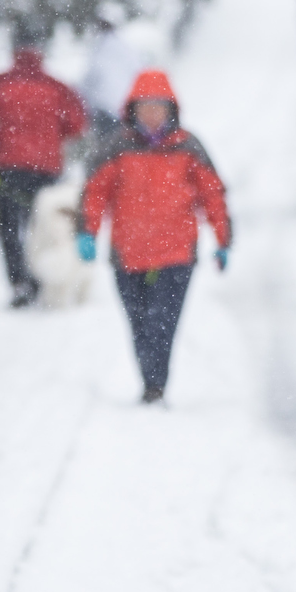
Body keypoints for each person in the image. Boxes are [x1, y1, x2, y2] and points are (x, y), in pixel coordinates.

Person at [76, 70, 232, 404]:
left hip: (176, 254)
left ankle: (155, 386)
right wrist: (86, 232)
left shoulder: (189, 147)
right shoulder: (116, 147)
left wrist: (223, 241)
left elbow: (213, 195)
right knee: (139, 324)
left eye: (158, 106)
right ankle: (150, 380)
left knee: (163, 323)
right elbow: (94, 193)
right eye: (144, 106)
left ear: (171, 109)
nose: (151, 113)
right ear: (132, 109)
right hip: (127, 254)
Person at [0, 32, 88, 306]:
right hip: (45, 168)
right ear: (40, 53)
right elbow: (76, 124)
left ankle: (19, 282)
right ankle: (42, 275)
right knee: (43, 225)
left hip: (6, 168)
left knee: (9, 228)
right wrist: (50, 137)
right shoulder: (56, 86)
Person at [79, 5, 147, 146]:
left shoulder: (100, 49)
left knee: (108, 151)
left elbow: (89, 81)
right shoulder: (127, 48)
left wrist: (84, 103)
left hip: (106, 112)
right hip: (126, 111)